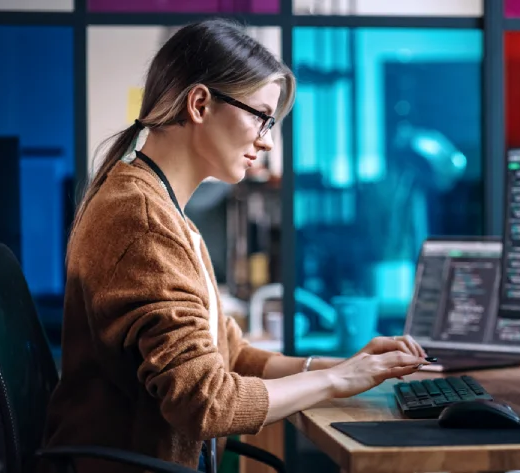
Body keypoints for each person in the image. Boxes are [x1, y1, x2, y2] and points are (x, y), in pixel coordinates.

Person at [40, 18, 428, 473]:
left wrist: (348, 364)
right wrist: (338, 380)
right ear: (200, 103)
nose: (266, 140)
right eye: (261, 117)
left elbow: (234, 356)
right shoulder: (142, 221)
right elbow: (207, 404)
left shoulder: (163, 210)